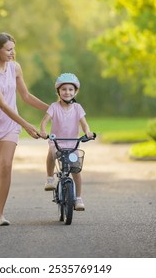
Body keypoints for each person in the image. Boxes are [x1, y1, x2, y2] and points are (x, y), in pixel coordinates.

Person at [0, 32, 48, 226]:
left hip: (9, 126)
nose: (12, 53)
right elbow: (3, 105)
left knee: (5, 166)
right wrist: (27, 125)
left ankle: (0, 214)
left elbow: (26, 96)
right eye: (8, 49)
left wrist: (53, 109)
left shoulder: (15, 68)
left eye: (14, 49)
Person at [39, 73, 94, 211]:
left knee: (76, 169)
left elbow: (84, 124)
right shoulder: (54, 107)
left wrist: (87, 132)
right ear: (58, 91)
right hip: (56, 141)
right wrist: (43, 131)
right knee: (52, 153)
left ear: (75, 91)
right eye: (64, 89)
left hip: (72, 143)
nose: (67, 92)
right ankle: (50, 178)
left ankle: (79, 198)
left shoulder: (77, 108)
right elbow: (44, 121)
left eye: (70, 89)